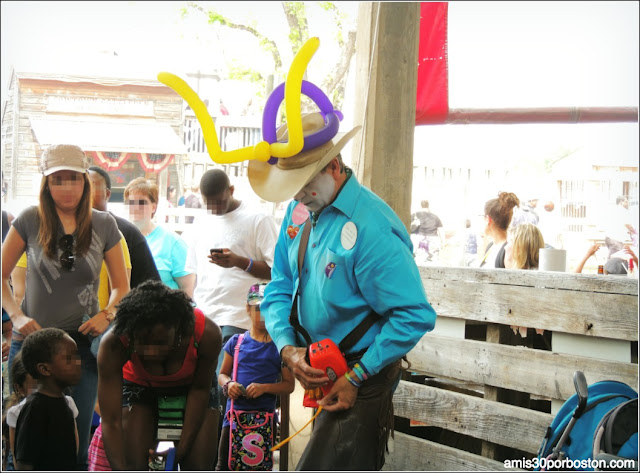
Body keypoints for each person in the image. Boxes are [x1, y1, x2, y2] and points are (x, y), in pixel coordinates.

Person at [247, 112, 437, 470]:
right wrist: (287, 348)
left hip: (363, 371)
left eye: (305, 184)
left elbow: (414, 316)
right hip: (321, 364)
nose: (300, 195)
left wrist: (356, 377)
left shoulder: (372, 228)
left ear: (333, 166)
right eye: (294, 187)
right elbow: (280, 284)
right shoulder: (300, 210)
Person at [1, 144, 129, 469]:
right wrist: (17, 315)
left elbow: (122, 287)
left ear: (85, 181)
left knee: (74, 444)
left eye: (74, 178)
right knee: (22, 443)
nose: (67, 187)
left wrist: (107, 314)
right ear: (46, 184)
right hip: (31, 345)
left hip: (80, 348)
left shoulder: (104, 224)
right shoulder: (30, 219)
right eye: (58, 180)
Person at [97, 280, 222, 471]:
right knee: (134, 464)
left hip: (193, 388)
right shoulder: (113, 344)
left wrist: (179, 452)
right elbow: (111, 420)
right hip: (139, 386)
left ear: (179, 329)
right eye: (141, 343)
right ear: (130, 335)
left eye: (160, 342)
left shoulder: (207, 334)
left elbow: (200, 389)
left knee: (198, 465)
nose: (151, 352)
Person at [181, 168, 277, 406]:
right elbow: (193, 274)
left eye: (219, 201)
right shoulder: (201, 223)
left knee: (228, 394)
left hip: (240, 320)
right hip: (205, 317)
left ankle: (227, 440)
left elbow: (278, 271)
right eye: (208, 203)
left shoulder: (257, 218)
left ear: (231, 191)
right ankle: (209, 442)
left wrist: (239, 262)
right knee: (204, 391)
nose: (214, 208)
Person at [215, 283, 295, 471]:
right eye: (258, 309)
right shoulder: (236, 342)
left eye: (267, 309)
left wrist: (264, 388)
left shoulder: (279, 347)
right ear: (247, 309)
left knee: (259, 466)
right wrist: (229, 384)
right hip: (233, 418)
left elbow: (288, 385)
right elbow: (222, 374)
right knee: (225, 465)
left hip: (263, 420)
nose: (262, 315)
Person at [14, 328, 82, 471]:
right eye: (69, 359)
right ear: (44, 369)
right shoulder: (35, 408)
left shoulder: (64, 402)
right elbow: (25, 462)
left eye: (77, 356)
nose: (78, 363)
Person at [88, 166, 161, 288]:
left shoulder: (127, 233)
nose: (85, 192)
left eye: (91, 186)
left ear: (107, 194)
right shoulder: (67, 231)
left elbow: (151, 290)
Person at [123, 177, 194, 295]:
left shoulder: (173, 242)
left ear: (153, 207)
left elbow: (188, 289)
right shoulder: (118, 239)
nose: (135, 207)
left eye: (141, 202)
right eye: (131, 202)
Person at [2, 352, 37, 471]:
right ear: (20, 388)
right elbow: (18, 463)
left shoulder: (66, 405)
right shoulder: (16, 413)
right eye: (36, 386)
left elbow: (74, 453)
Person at [478, 192, 520, 268]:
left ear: (488, 219)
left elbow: (512, 278)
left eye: (483, 216)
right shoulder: (491, 246)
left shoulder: (509, 250)